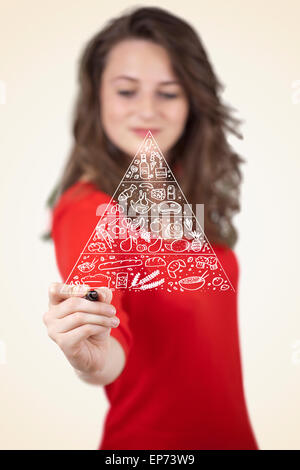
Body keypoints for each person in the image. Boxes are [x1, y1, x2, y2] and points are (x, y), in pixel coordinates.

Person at [42, 6, 259, 450]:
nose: (147, 110)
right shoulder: (90, 209)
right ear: (97, 97)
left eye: (168, 93)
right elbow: (106, 333)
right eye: (126, 91)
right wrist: (91, 358)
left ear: (192, 101)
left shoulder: (183, 191)